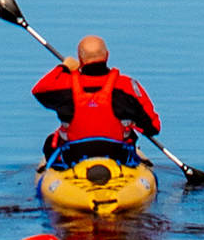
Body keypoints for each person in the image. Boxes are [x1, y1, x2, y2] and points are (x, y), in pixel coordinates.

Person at [32, 34, 159, 163]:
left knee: (50, 142)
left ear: (80, 60)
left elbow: (39, 90)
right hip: (118, 155)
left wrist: (64, 67)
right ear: (107, 56)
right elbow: (153, 128)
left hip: (74, 156)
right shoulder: (127, 86)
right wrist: (134, 122)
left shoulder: (64, 86)